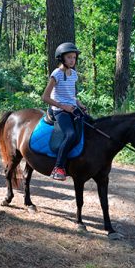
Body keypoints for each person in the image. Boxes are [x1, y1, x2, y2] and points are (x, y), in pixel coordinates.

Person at [41, 42, 87, 181]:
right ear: (62, 59)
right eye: (69, 57)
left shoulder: (73, 74)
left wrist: (79, 103)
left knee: (89, 126)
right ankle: (59, 167)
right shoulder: (57, 74)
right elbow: (45, 97)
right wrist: (63, 107)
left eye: (74, 57)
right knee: (71, 134)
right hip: (59, 110)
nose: (72, 60)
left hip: (73, 108)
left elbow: (71, 95)